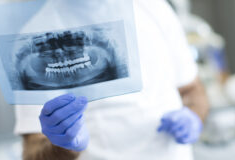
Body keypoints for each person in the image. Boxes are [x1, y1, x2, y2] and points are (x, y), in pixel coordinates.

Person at [15, 0, 209, 159]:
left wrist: (193, 117)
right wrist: (63, 145)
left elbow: (192, 90)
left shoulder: (154, 8)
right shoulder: (35, 37)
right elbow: (33, 150)